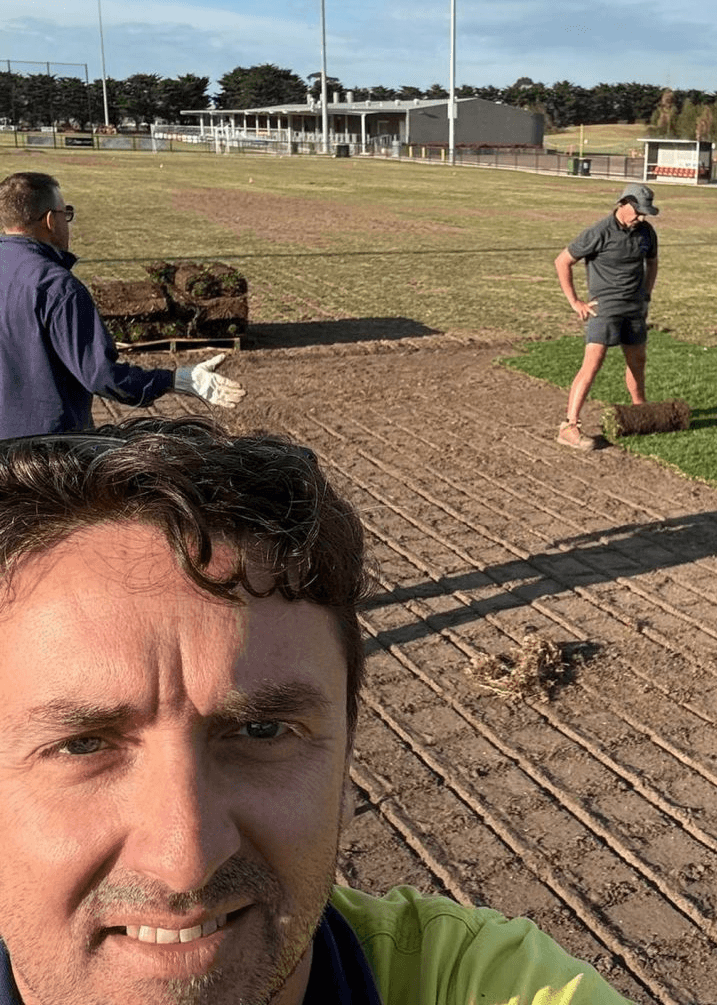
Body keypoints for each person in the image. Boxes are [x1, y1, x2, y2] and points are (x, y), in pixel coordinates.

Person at [0, 416, 632, 1005]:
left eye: (263, 729)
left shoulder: (480, 984)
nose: (186, 856)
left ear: (347, 757)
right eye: (82, 743)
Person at [0, 171, 244, 439]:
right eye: (65, 213)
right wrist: (175, 380)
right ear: (49, 220)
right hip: (46, 455)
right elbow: (101, 376)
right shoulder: (58, 287)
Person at [553, 183, 659, 451]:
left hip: (634, 307)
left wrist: (646, 294)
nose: (641, 218)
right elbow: (562, 261)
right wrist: (575, 301)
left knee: (637, 361)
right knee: (593, 364)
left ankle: (640, 413)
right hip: (605, 307)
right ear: (624, 203)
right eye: (638, 211)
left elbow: (652, 262)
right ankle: (569, 426)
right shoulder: (600, 232)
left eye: (645, 213)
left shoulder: (646, 232)